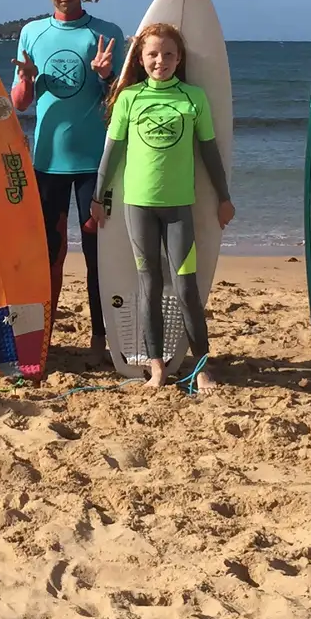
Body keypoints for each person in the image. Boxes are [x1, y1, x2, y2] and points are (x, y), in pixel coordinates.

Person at [88, 22, 235, 389]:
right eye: (152, 54)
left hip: (178, 208)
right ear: (140, 58)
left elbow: (209, 154)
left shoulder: (192, 98)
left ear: (179, 58)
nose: (161, 61)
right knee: (149, 284)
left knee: (186, 288)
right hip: (138, 206)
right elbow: (112, 152)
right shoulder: (129, 98)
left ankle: (202, 366)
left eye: (168, 54)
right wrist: (97, 197)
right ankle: (156, 367)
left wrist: (224, 197)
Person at [10, 0, 124, 359]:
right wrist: (25, 79)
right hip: (47, 164)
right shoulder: (32, 34)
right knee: (48, 259)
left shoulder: (107, 34)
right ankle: (42, 340)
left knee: (98, 259)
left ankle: (100, 339)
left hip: (96, 164)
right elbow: (20, 104)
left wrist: (107, 76)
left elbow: (122, 103)